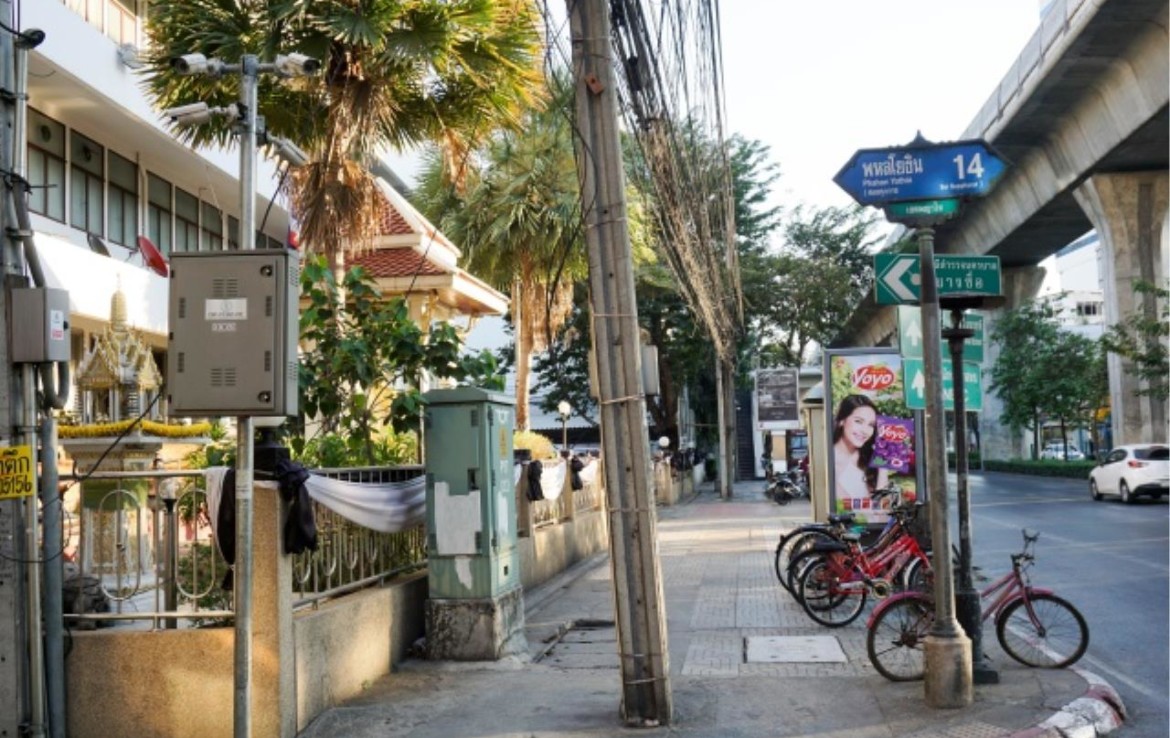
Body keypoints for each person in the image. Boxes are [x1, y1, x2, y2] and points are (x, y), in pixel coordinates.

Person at [832, 394, 889, 499]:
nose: (865, 431)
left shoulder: (868, 456)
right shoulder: (830, 461)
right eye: (858, 421)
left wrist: (883, 469)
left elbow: (884, 505)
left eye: (871, 425)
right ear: (842, 421)